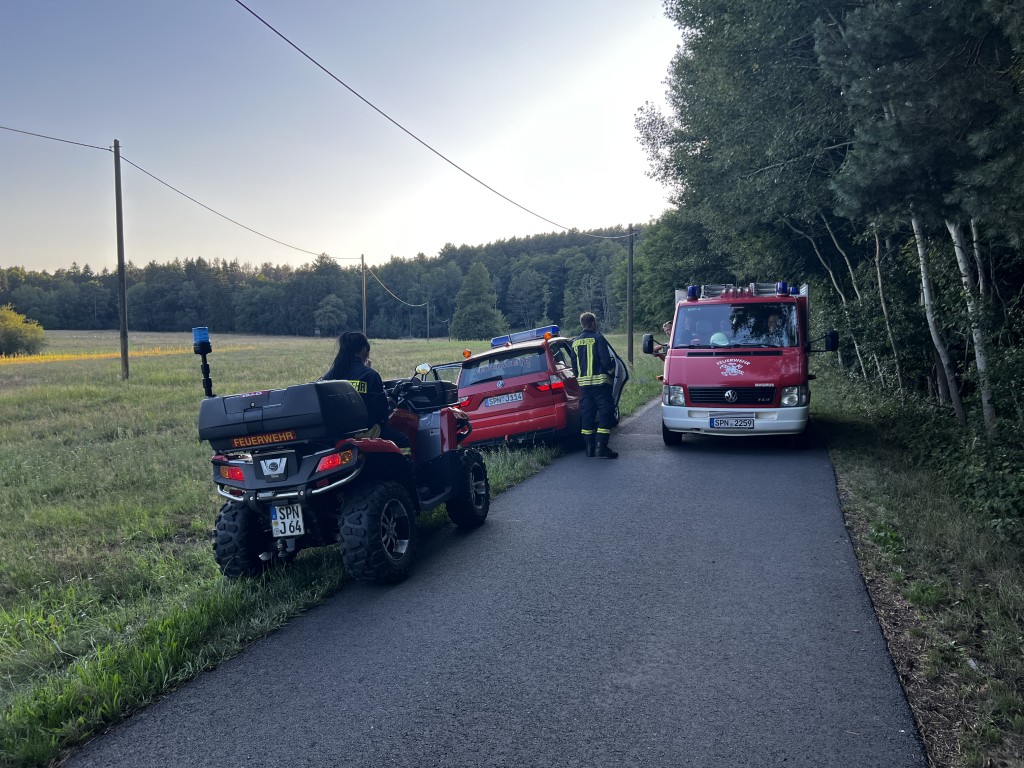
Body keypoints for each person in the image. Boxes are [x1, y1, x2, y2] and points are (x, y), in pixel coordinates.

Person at [322, 331, 411, 456]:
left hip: (336, 435)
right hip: (364, 433)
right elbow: (381, 411)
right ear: (364, 350)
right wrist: (391, 401)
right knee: (403, 441)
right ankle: (406, 472)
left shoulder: (330, 375)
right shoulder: (369, 375)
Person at [571, 312, 618, 459]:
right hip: (600, 385)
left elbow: (574, 366)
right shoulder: (598, 338)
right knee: (607, 412)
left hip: (584, 386)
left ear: (582, 324)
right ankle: (601, 447)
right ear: (593, 323)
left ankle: (589, 448)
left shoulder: (575, 342)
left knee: (587, 416)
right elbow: (605, 360)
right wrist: (611, 372)